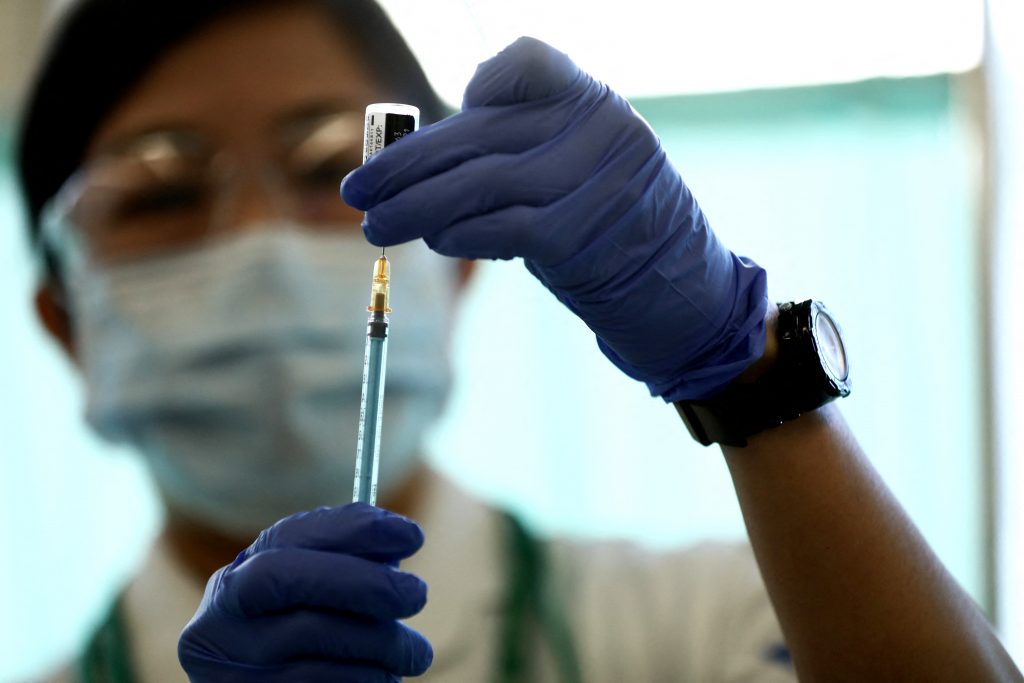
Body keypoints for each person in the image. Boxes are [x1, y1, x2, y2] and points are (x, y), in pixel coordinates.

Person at [13, 0, 1021, 681]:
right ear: (64, 320)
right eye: (163, 191)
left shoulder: (702, 622)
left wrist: (748, 373)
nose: (259, 243)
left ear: (454, 257)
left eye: (329, 167)